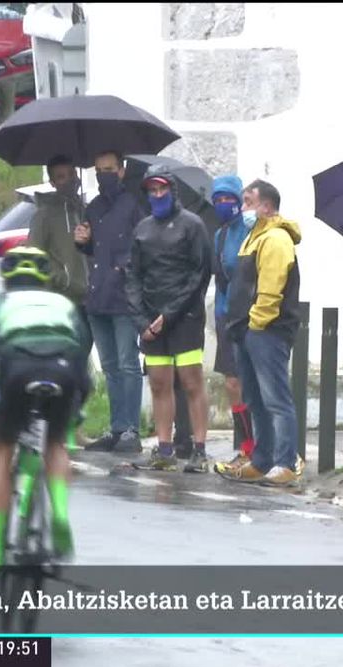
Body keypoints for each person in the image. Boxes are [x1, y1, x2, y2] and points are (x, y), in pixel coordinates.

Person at [0, 246, 93, 579]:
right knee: (56, 444)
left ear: (6, 276)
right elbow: (82, 361)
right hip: (64, 371)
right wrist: (77, 411)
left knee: (1, 448)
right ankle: (59, 512)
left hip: (18, 370)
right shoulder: (65, 306)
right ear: (45, 277)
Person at [122, 165, 212, 473]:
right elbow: (133, 276)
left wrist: (170, 314)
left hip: (185, 317)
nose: (157, 194)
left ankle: (199, 449)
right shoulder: (143, 229)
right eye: (152, 190)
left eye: (162, 189)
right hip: (151, 321)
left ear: (172, 191)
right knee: (159, 383)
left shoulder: (192, 225)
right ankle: (164, 448)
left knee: (190, 381)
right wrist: (142, 320)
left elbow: (200, 274)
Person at [217, 179, 304, 487]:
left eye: (249, 201)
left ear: (266, 206)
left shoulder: (275, 238)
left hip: (266, 331)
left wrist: (255, 322)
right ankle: (262, 459)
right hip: (246, 331)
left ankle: (285, 462)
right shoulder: (253, 237)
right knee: (255, 398)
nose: (244, 208)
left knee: (276, 398)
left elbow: (271, 287)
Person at [75, 150, 143, 453]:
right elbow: (93, 251)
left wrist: (123, 267)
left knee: (129, 365)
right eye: (99, 169)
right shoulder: (94, 207)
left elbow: (143, 247)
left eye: (110, 169)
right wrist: (84, 242)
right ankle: (116, 428)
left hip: (124, 298)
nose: (105, 174)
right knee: (110, 367)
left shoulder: (134, 206)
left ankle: (131, 430)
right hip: (97, 298)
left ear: (122, 170)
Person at [208, 175, 258, 472]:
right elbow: (220, 279)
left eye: (229, 198)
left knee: (255, 381)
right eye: (217, 200)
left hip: (254, 315)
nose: (223, 204)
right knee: (232, 382)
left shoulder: (252, 229)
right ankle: (244, 446)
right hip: (228, 316)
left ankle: (265, 446)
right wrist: (219, 316)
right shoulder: (220, 236)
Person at [27, 154, 92, 348]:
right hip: (62, 299)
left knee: (84, 352)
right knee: (68, 352)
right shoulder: (44, 216)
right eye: (62, 176)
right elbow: (33, 255)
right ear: (53, 182)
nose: (69, 180)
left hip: (90, 300)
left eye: (72, 174)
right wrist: (60, 279)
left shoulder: (86, 210)